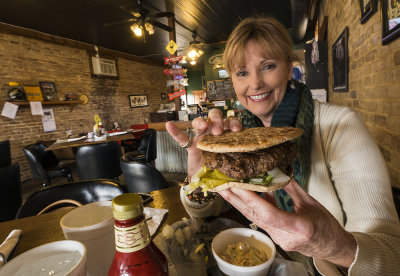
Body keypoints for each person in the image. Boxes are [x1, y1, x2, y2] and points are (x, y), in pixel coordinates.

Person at [166, 17, 400, 275]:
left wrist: (328, 244)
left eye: (268, 66)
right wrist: (198, 172)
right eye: (242, 72)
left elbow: (392, 253)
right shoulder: (236, 132)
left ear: (289, 68)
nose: (255, 84)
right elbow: (206, 210)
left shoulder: (341, 126)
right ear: (233, 80)